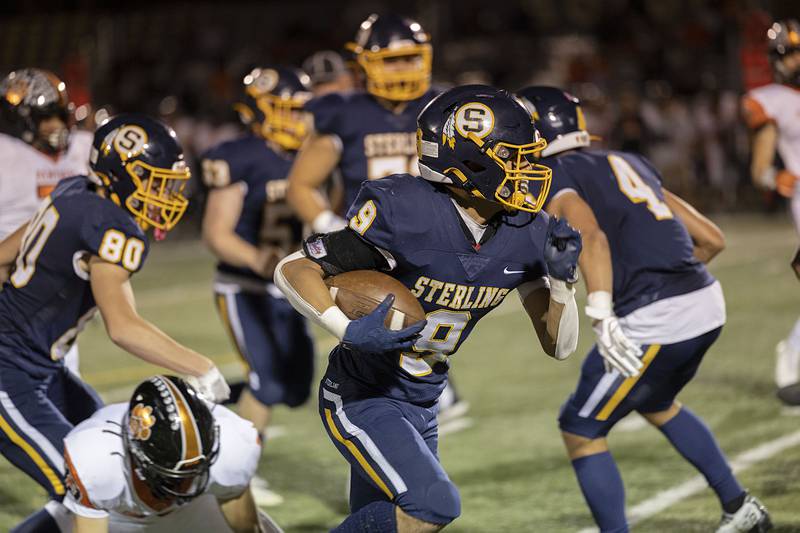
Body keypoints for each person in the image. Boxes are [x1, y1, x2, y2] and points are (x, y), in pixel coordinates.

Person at [275, 85, 581, 532]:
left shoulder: (526, 230)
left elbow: (560, 347)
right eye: (513, 157)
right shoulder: (407, 210)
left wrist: (563, 283)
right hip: (364, 392)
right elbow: (294, 269)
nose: (528, 170)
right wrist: (343, 327)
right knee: (433, 505)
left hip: (424, 399)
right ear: (469, 161)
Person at [519, 85, 771, 533]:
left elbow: (591, 237)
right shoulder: (627, 160)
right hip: (706, 301)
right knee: (655, 401)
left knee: (580, 428)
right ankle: (740, 506)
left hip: (654, 318)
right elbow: (711, 239)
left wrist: (604, 310)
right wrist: (674, 286)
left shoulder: (554, 175)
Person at [0, 114, 229, 532]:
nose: (164, 195)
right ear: (121, 175)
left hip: (39, 367)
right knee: (85, 484)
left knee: (114, 458)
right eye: (153, 181)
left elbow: (3, 256)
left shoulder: (74, 189)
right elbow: (123, 326)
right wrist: (202, 367)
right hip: (9, 372)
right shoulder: (110, 226)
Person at [286, 13, 469, 421]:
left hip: (437, 236)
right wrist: (327, 226)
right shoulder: (344, 112)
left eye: (410, 58)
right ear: (365, 63)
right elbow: (301, 184)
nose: (403, 69)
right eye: (391, 60)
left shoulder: (445, 105)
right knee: (378, 319)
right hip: (374, 243)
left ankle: (425, 387)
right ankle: (378, 402)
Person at [201, 67, 315, 506]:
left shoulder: (314, 152)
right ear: (256, 113)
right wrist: (260, 261)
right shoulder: (240, 155)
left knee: (296, 387)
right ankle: (238, 477)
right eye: (284, 111)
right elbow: (217, 233)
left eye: (299, 111)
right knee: (265, 383)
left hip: (291, 287)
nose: (294, 120)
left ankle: (203, 398)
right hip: (243, 285)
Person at [61, 375, 282, 533]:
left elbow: (247, 528)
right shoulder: (97, 458)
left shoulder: (232, 442)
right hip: (121, 518)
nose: (182, 482)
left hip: (197, 506)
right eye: (171, 475)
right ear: (134, 451)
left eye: (192, 471)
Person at [0, 68, 94, 376]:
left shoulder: (82, 147)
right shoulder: (6, 154)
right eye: (45, 117)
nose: (55, 127)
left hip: (60, 296)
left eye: (58, 115)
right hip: (12, 291)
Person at [741, 19, 800, 406]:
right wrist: (774, 177)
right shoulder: (772, 99)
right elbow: (759, 168)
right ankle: (791, 361)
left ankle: (792, 360)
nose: (789, 61)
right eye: (783, 54)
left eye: (793, 52)